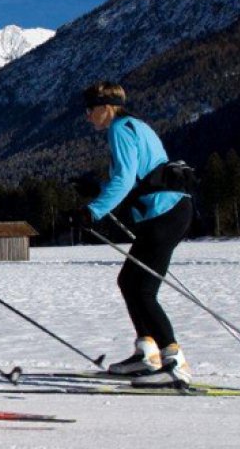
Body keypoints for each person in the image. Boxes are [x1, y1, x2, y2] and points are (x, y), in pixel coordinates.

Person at [73, 81, 193, 388]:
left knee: (142, 289)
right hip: (169, 210)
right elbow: (139, 177)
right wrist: (97, 190)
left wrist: (92, 210)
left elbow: (125, 180)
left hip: (164, 214)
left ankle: (174, 362)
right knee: (130, 281)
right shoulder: (136, 126)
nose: (88, 116)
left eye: (90, 109)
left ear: (106, 107)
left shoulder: (119, 129)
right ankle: (147, 352)